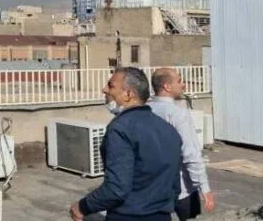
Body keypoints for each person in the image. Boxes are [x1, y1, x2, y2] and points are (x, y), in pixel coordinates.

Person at [70, 67, 182, 221]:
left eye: (111, 86)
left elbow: (116, 189)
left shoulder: (120, 128)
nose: (104, 90)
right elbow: (175, 186)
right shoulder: (169, 130)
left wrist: (82, 206)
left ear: (129, 94)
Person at [149, 68, 215, 220]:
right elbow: (190, 154)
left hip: (152, 187)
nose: (183, 84)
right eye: (179, 81)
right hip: (181, 187)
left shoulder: (146, 110)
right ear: (167, 86)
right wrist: (204, 187)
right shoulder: (177, 114)